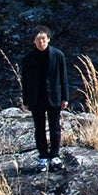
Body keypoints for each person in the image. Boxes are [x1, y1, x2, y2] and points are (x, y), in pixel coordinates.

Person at [19, 27, 68, 171]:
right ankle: (43, 156)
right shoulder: (28, 59)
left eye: (43, 39)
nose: (41, 42)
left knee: (55, 127)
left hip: (54, 96)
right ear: (33, 41)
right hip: (36, 97)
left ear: (48, 39)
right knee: (39, 128)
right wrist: (25, 101)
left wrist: (65, 98)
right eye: (38, 39)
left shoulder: (58, 55)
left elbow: (63, 77)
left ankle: (55, 156)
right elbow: (25, 81)